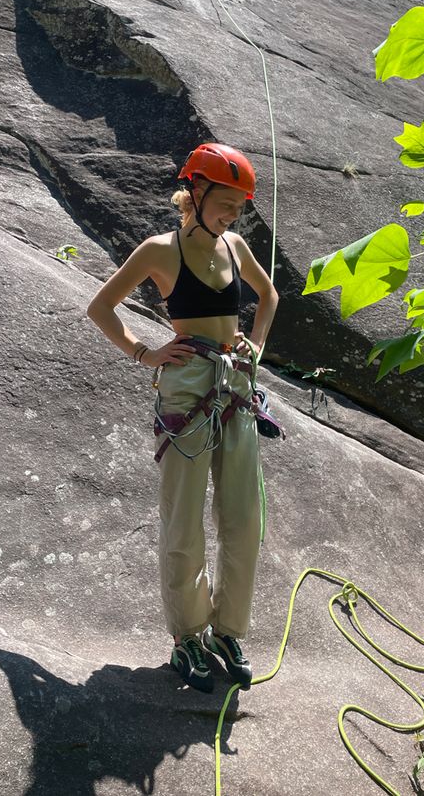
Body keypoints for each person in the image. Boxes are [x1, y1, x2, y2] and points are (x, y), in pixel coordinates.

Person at [87, 142, 279, 693]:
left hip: (236, 384)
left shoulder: (236, 246)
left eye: (239, 207)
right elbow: (101, 307)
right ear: (195, 192)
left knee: (244, 518)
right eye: (224, 203)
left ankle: (227, 629)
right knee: (184, 518)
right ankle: (188, 636)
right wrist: (144, 353)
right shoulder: (159, 251)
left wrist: (256, 347)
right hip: (187, 387)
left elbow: (269, 297)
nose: (232, 215)